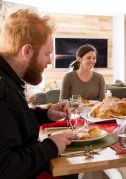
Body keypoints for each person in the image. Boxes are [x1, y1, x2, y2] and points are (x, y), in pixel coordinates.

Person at [0, 9, 74, 178]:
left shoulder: (8, 81)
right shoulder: (2, 90)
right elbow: (5, 169)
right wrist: (51, 146)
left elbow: (11, 120)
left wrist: (46, 114)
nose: (49, 61)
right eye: (47, 54)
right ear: (27, 51)